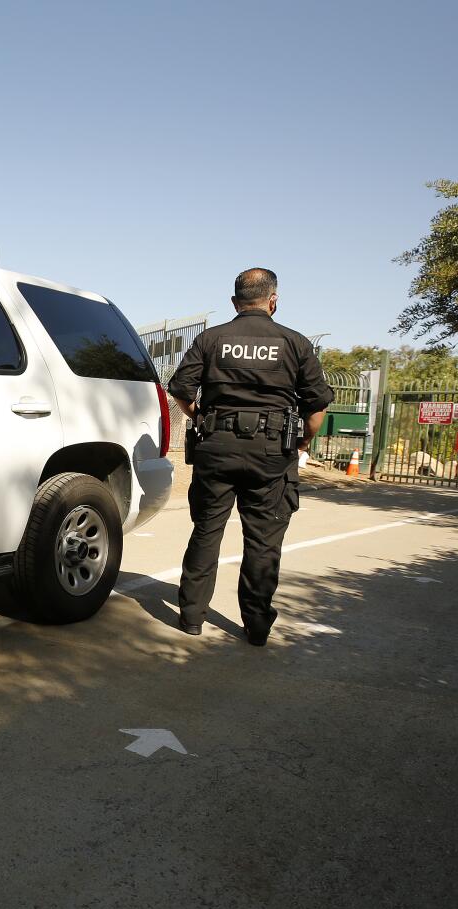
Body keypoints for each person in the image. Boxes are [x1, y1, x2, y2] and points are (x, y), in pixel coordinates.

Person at [167, 268, 333, 645]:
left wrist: (203, 419)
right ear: (273, 301)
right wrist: (303, 443)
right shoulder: (294, 342)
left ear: (234, 302)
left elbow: (180, 390)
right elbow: (316, 407)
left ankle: (191, 617)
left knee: (207, 531)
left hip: (217, 447)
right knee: (262, 540)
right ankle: (256, 626)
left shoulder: (211, 339)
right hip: (273, 452)